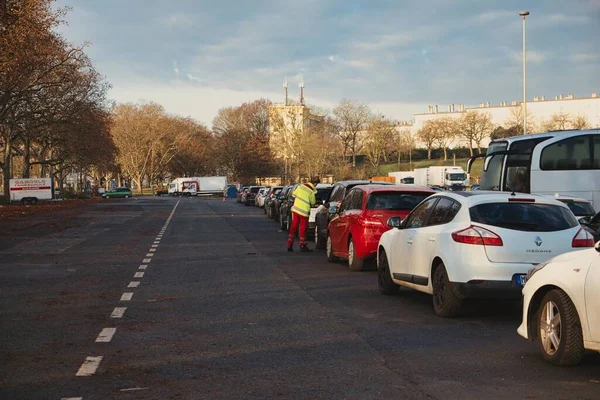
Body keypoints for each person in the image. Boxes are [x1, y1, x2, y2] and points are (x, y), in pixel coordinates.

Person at [287, 177, 319, 252]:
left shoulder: (300, 186)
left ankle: (289, 244)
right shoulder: (311, 191)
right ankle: (302, 244)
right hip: (304, 212)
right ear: (315, 183)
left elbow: (294, 195)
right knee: (303, 228)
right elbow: (313, 203)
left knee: (293, 227)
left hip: (296, 210)